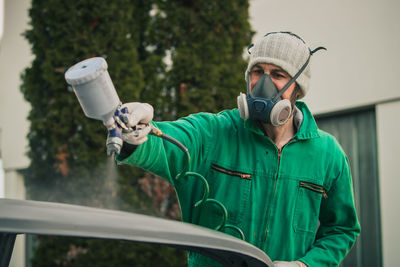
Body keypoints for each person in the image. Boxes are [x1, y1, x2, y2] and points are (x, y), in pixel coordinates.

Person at [113, 32, 361, 267]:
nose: (264, 83)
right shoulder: (215, 133)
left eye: (278, 74)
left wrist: (305, 264)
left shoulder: (328, 154)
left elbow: (342, 230)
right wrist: (136, 132)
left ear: (298, 87)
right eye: (257, 71)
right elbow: (166, 142)